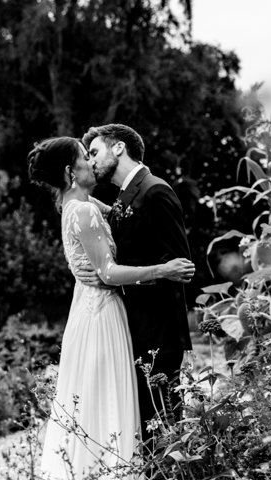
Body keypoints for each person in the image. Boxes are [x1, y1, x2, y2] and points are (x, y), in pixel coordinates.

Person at [26, 137, 195, 480]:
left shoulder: (78, 205)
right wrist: (162, 271)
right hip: (102, 315)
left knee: (103, 405)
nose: (91, 162)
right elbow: (107, 273)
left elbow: (120, 212)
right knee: (110, 405)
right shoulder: (82, 212)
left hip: (92, 311)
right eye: (85, 158)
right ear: (71, 172)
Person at [80, 123, 195, 445]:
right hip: (135, 328)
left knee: (162, 423)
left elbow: (181, 267)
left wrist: (116, 279)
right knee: (147, 424)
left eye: (94, 152)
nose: (90, 162)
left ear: (118, 148)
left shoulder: (155, 191)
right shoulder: (124, 197)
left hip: (158, 330)